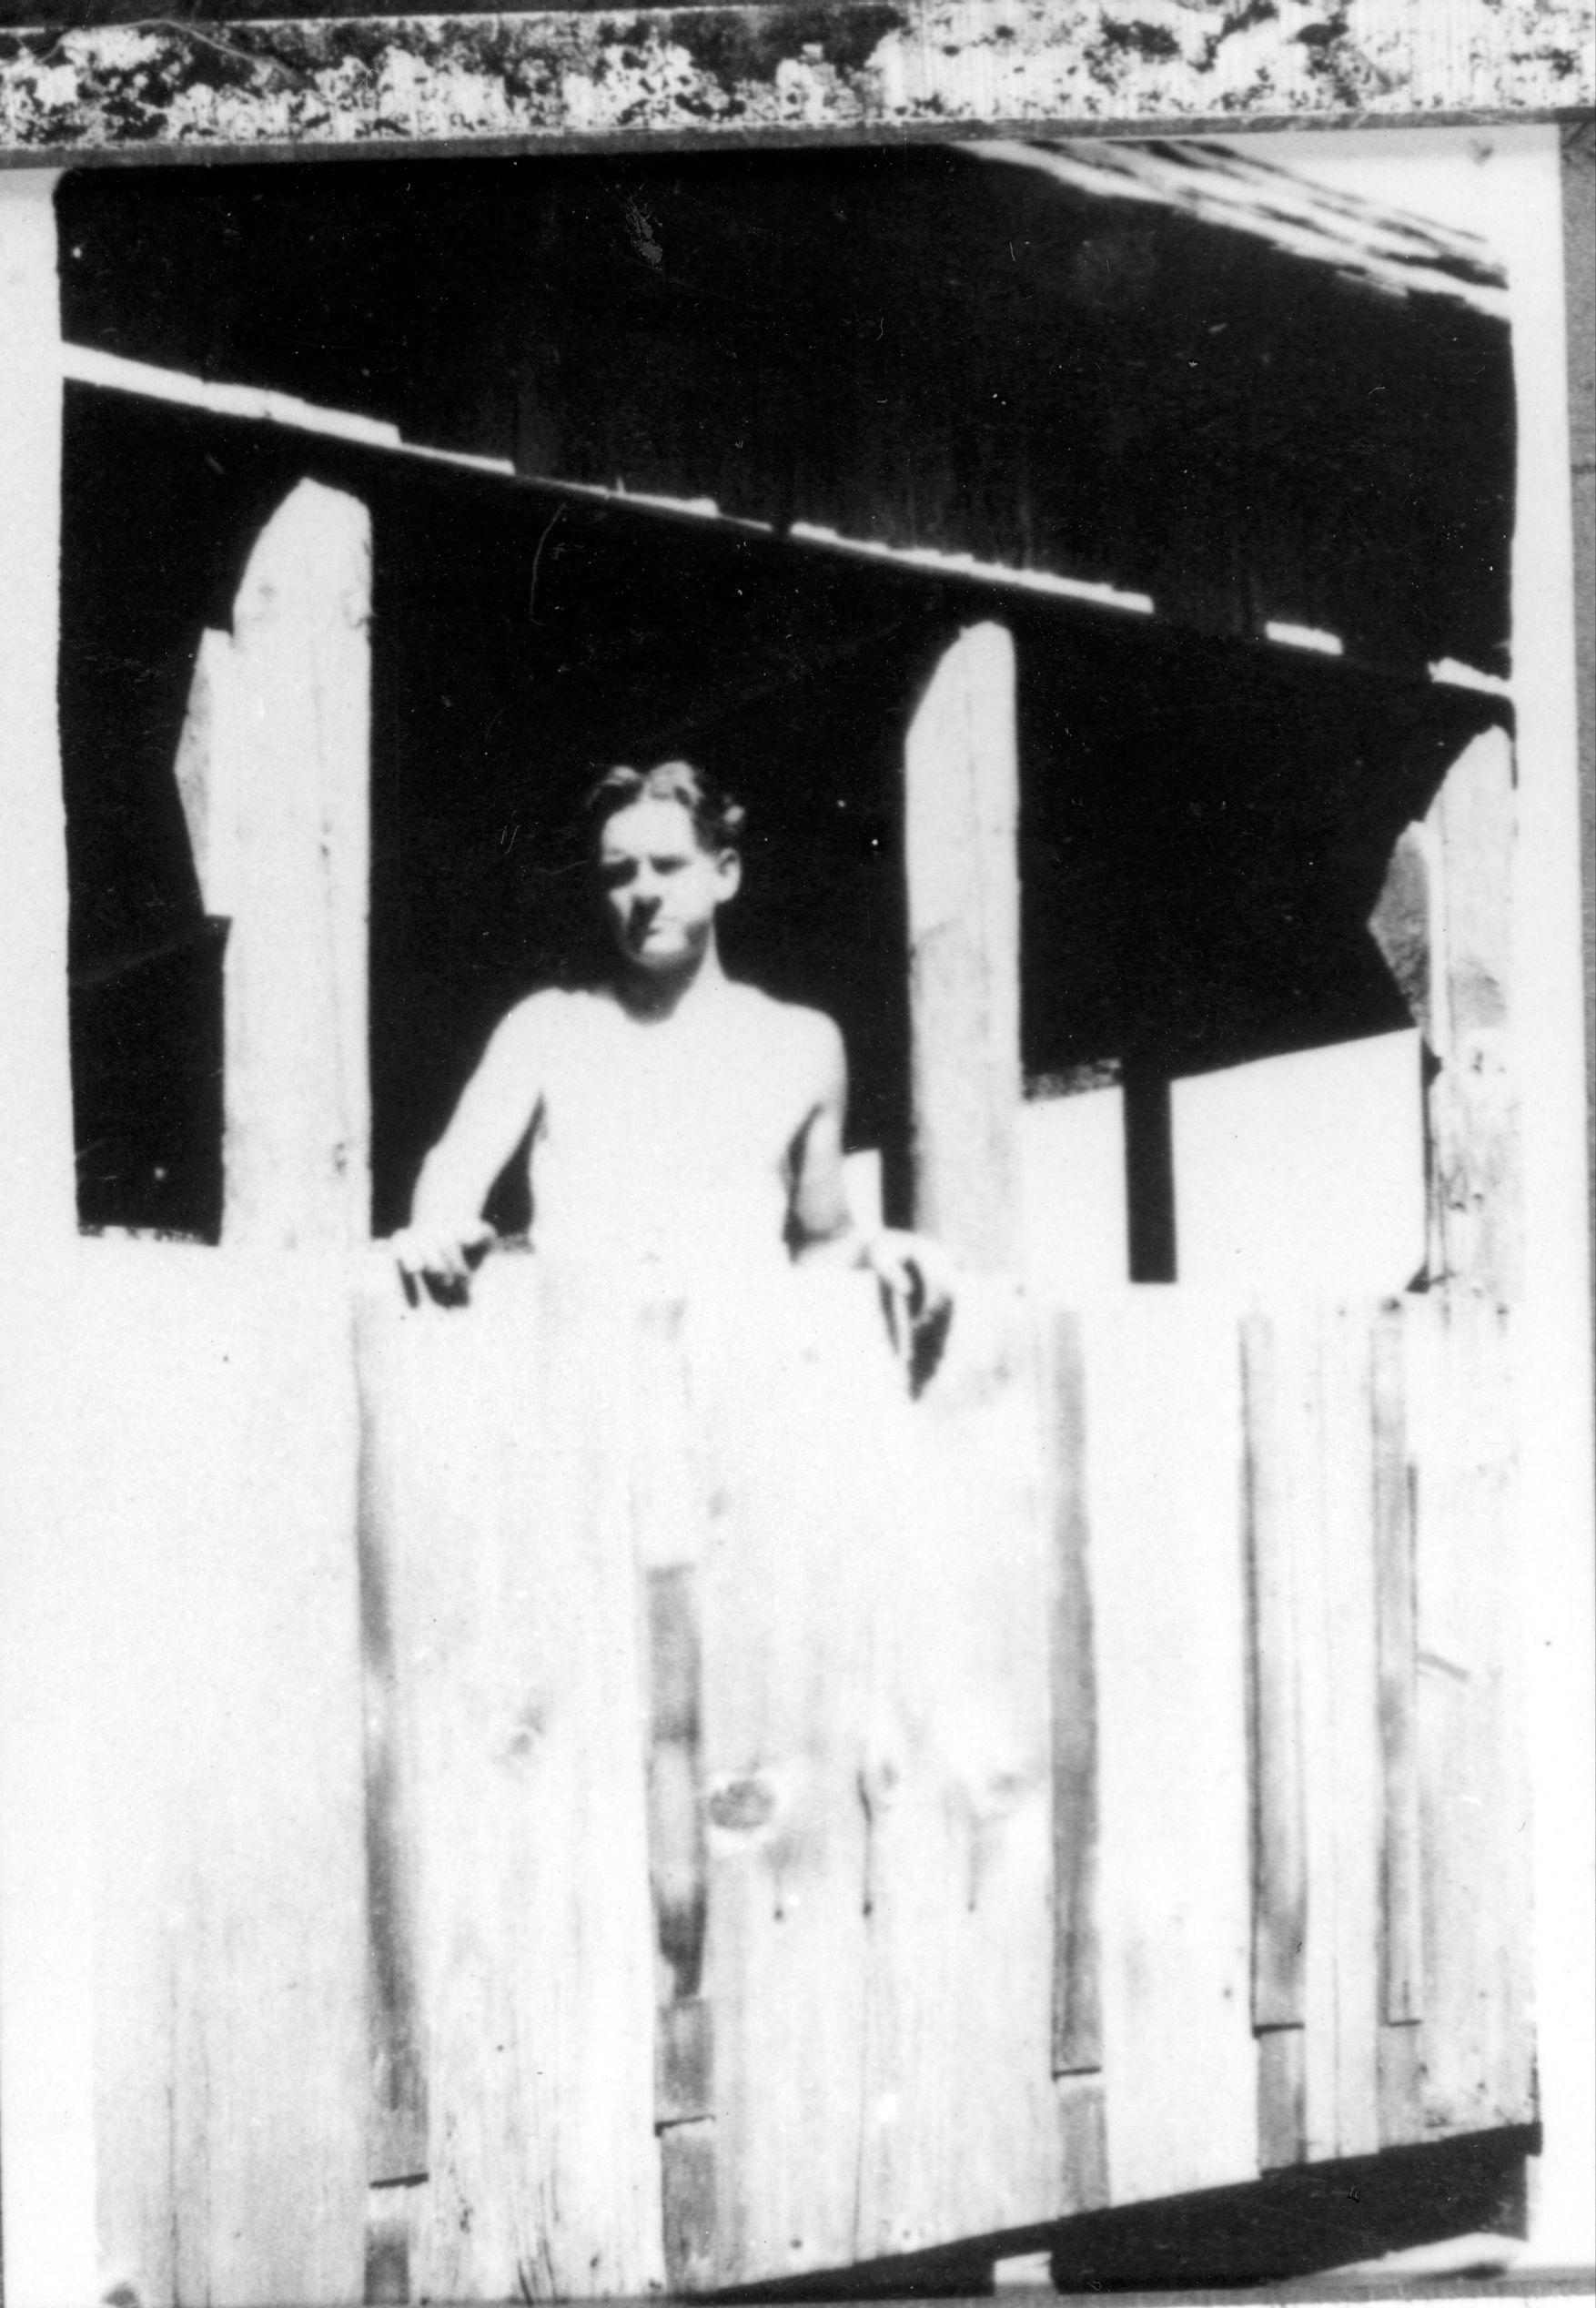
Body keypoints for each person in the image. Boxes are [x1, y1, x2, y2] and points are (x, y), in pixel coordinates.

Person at [391, 760, 952, 1379]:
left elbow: (824, 1243)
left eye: (669, 865)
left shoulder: (799, 1043)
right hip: (585, 1374)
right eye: (620, 872)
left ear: (725, 874)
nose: (645, 891)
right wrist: (436, 1229)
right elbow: (455, 1170)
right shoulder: (547, 1029)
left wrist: (882, 1250)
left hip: (737, 1375)